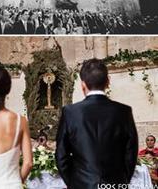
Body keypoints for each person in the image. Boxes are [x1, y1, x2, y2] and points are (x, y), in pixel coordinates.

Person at [56, 58, 138, 189]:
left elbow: (61, 155)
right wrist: (122, 181)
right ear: (108, 81)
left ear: (83, 84)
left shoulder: (70, 112)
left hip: (81, 184)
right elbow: (130, 154)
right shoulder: (124, 111)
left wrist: (74, 183)